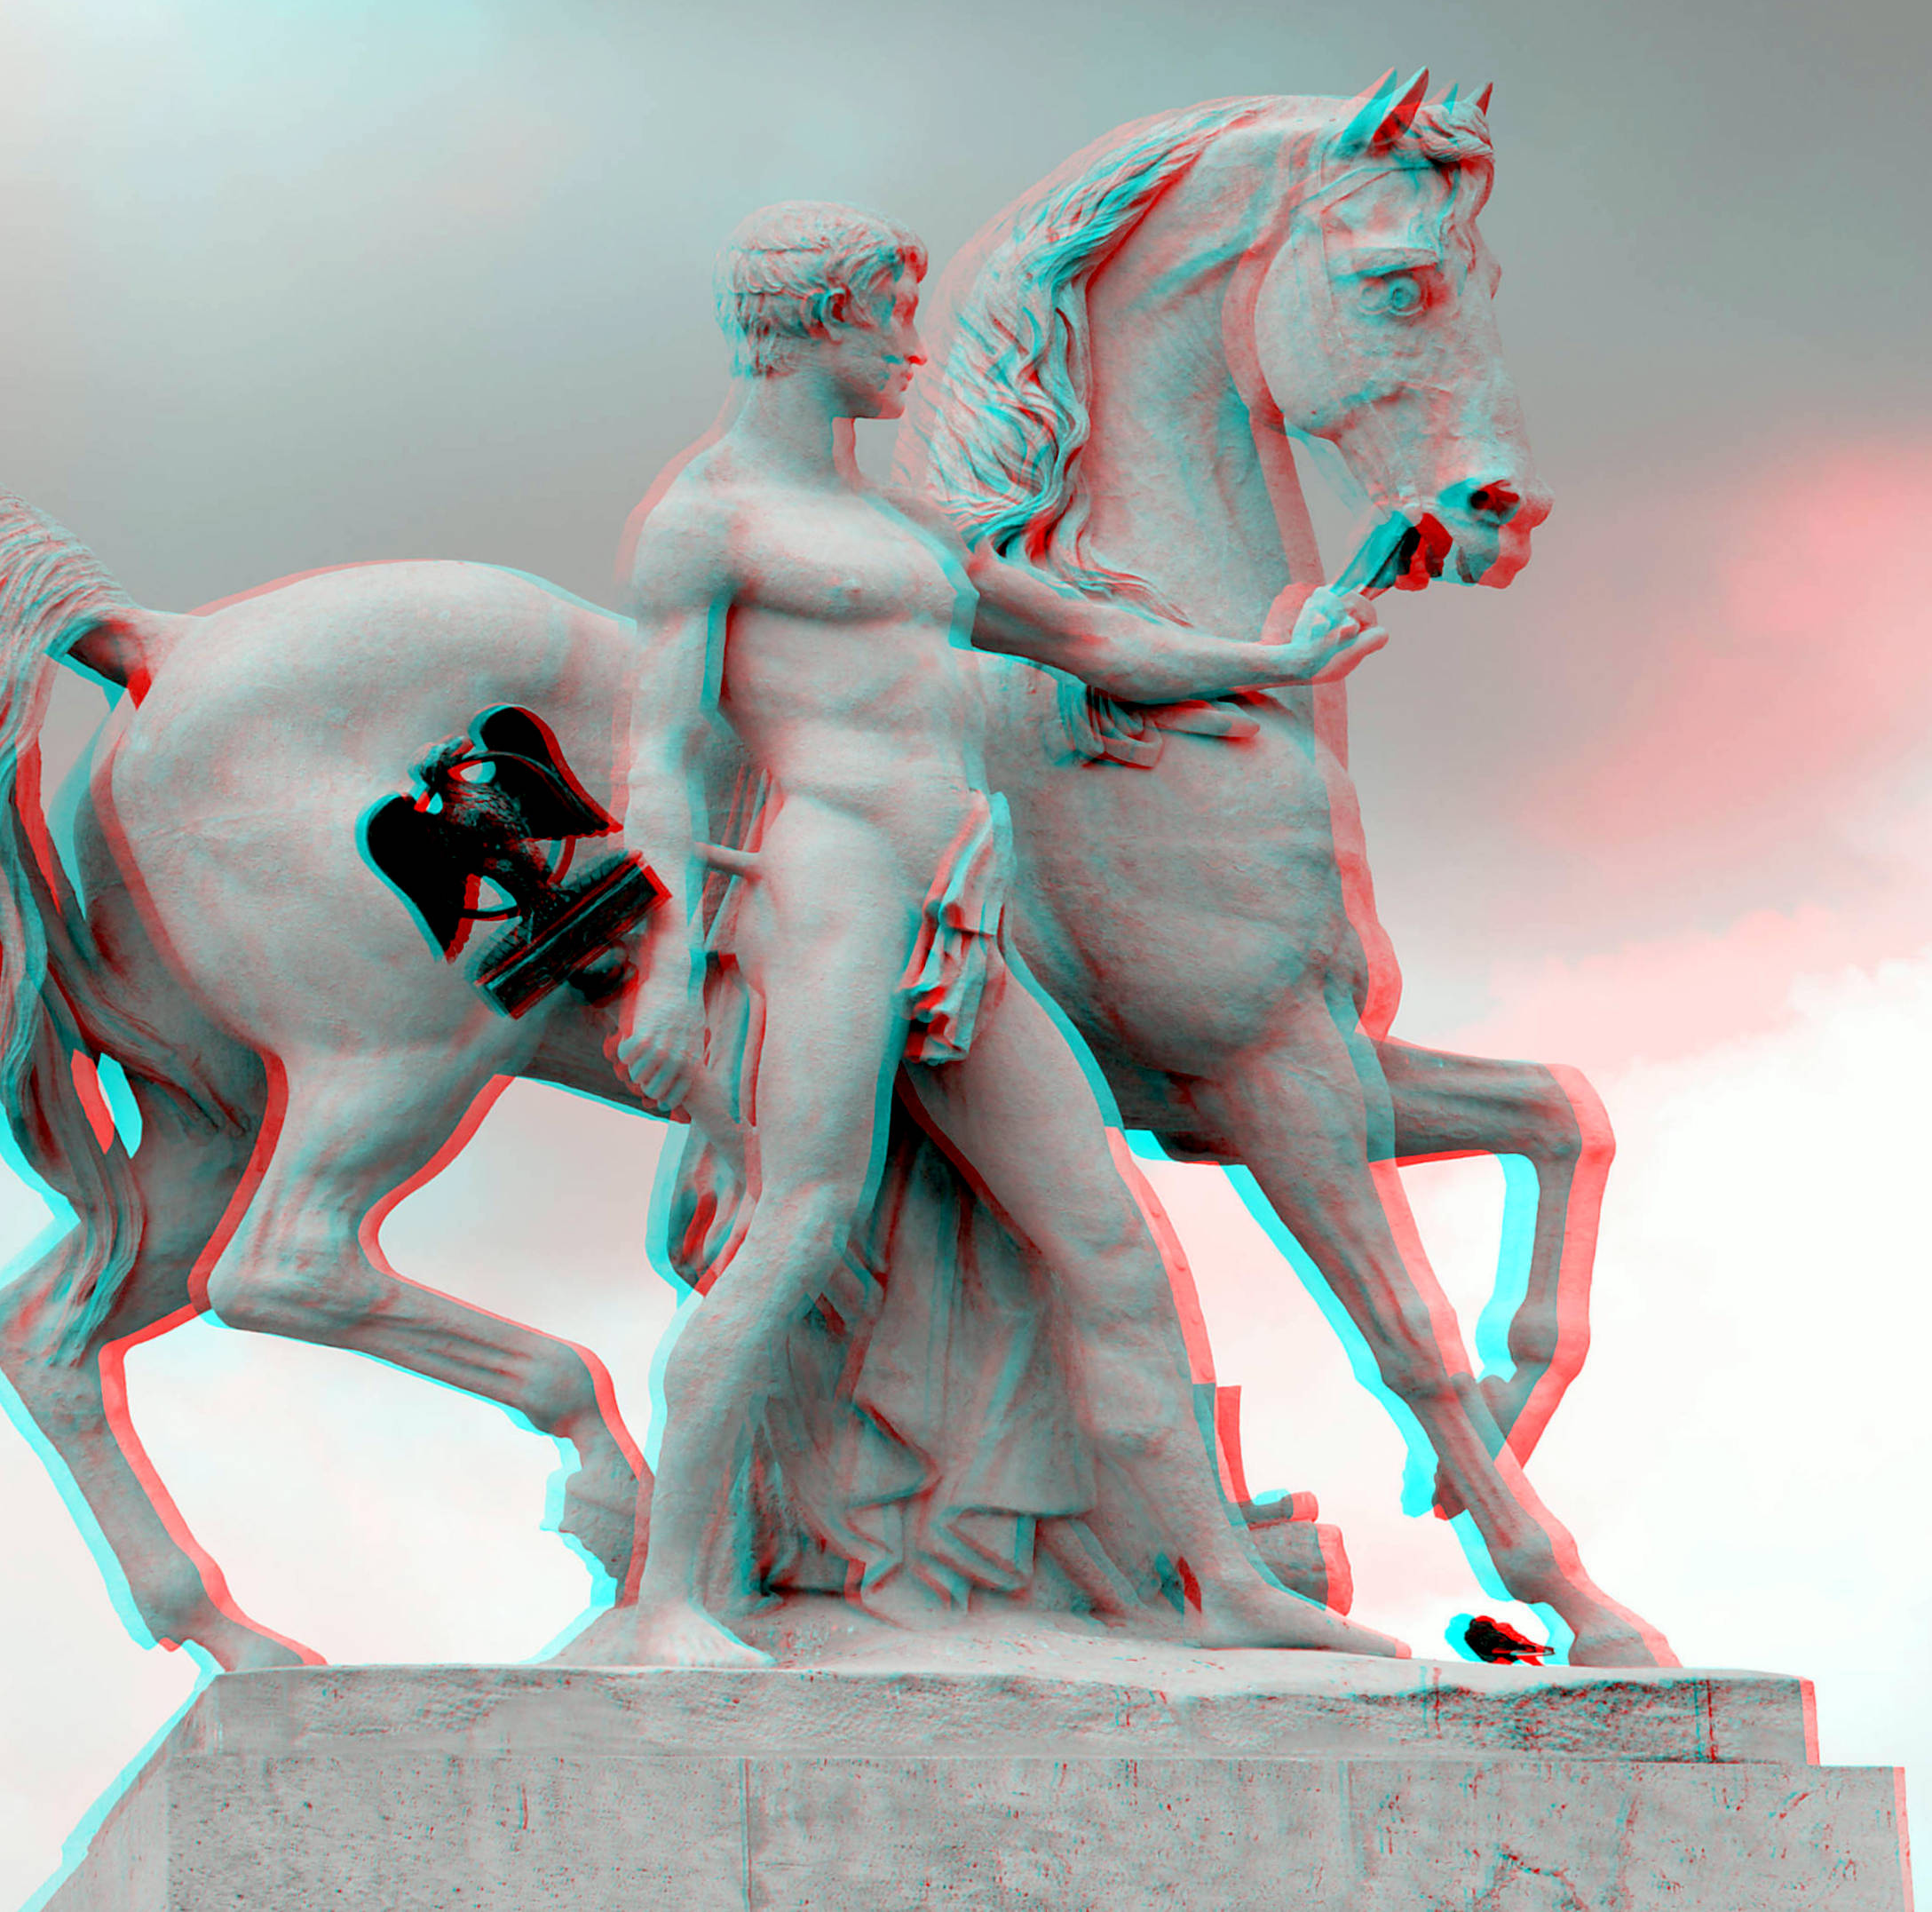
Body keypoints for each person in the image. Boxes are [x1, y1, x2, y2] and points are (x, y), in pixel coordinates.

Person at [568, 200, 1405, 1668]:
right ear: (815, 319)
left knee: (1106, 1242)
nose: (912, 343)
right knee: (797, 1225)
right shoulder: (708, 519)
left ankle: (1219, 1582)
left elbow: (1085, 639)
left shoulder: (897, 527)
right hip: (828, 882)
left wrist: (1271, 658)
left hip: (954, 892)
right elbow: (665, 750)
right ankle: (670, 1602)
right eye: (888, 313)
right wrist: (668, 963)